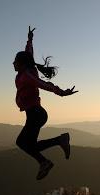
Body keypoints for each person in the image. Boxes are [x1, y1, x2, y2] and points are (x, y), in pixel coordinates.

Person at [14, 26, 78, 180]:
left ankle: (46, 160)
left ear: (22, 64)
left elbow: (44, 85)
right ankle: (56, 145)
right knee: (27, 144)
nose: (13, 63)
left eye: (15, 61)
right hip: (35, 114)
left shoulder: (28, 75)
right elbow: (29, 54)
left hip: (36, 114)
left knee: (23, 143)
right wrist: (29, 39)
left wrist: (62, 92)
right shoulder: (27, 69)